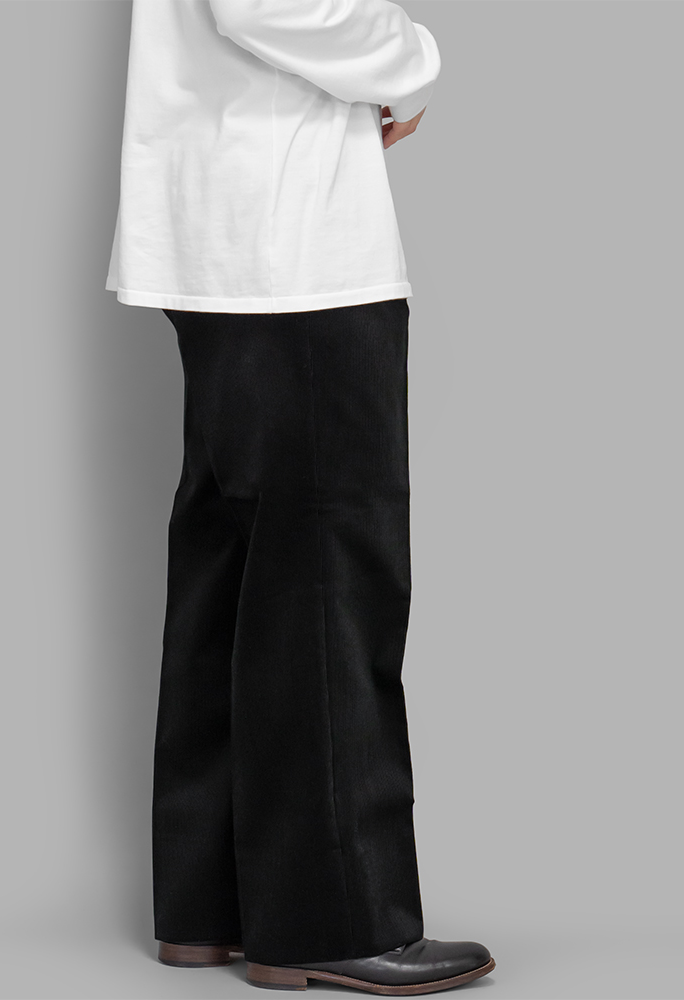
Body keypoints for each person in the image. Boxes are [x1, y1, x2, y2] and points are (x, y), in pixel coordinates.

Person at [104, 1, 496, 994]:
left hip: (224, 223)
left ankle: (213, 905)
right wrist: (411, 62)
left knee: (232, 573)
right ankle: (330, 917)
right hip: (295, 242)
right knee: (329, 581)